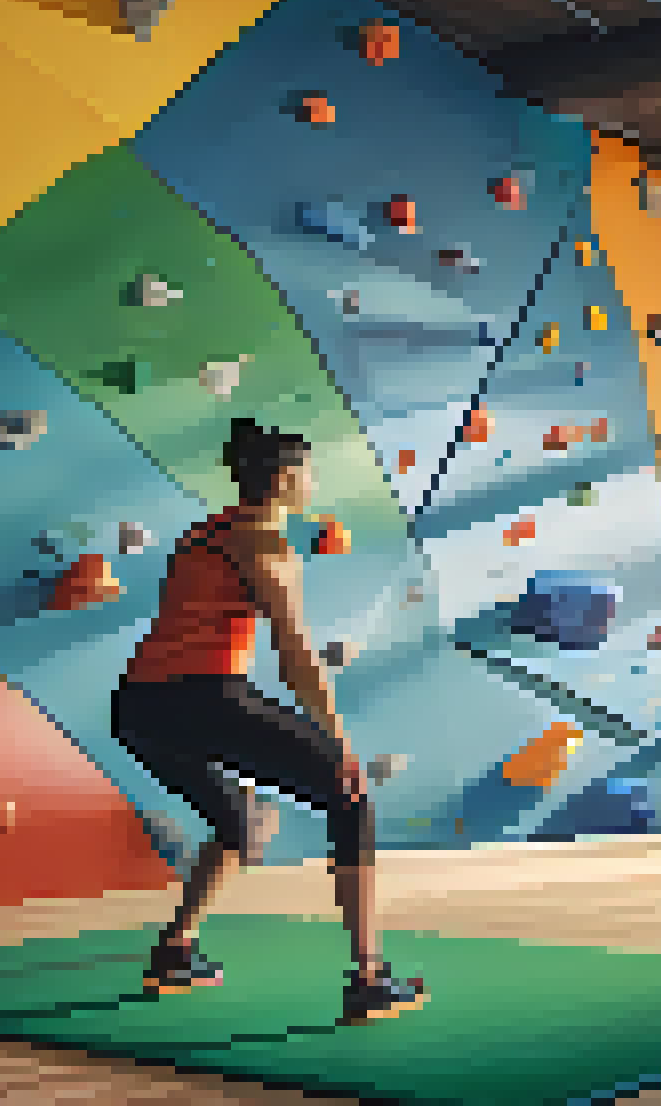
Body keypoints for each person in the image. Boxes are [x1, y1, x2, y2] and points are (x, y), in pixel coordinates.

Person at [111, 418, 428, 1025]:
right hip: (200, 697)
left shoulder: (204, 532)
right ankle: (369, 978)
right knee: (349, 796)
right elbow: (295, 656)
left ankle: (176, 951)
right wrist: (339, 743)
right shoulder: (264, 541)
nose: (313, 481)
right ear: (285, 480)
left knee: (237, 821)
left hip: (141, 706)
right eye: (307, 471)